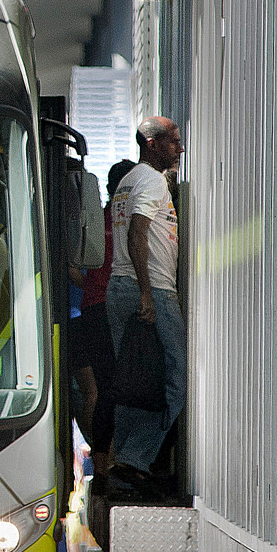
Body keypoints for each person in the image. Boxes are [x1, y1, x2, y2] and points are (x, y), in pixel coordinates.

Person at [106, 117, 187, 489]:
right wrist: (146, 294)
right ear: (151, 143)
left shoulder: (126, 181)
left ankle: (123, 463)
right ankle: (135, 458)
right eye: (173, 142)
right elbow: (138, 235)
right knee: (175, 379)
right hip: (150, 289)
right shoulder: (152, 180)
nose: (180, 149)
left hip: (118, 287)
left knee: (131, 381)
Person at [67, 159, 134, 468]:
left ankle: (102, 459)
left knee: (101, 389)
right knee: (125, 386)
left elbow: (73, 270)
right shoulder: (134, 222)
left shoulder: (93, 221)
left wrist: (93, 284)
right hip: (121, 310)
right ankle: (120, 459)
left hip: (91, 310)